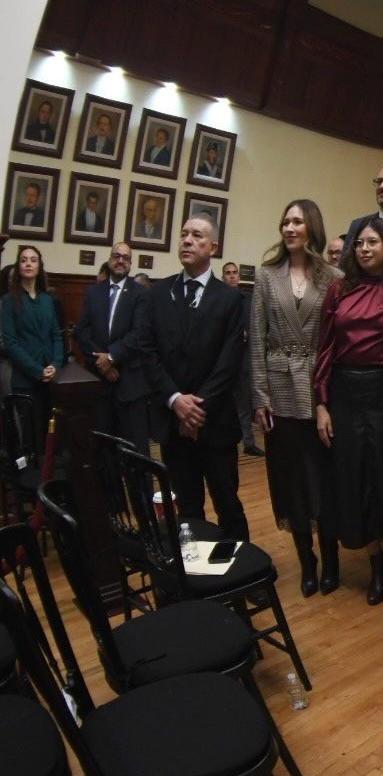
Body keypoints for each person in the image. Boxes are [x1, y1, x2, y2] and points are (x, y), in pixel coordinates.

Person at [315, 218, 383, 604]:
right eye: (359, 243)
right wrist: (322, 403)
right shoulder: (339, 289)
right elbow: (325, 347)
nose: (364, 249)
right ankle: (376, 568)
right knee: (356, 481)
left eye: (372, 242)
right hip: (344, 394)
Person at [251, 200, 339, 596]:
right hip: (279, 391)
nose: (289, 228)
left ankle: (332, 561)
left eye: (297, 221)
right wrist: (259, 395)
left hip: (319, 391)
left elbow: (335, 341)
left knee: (322, 480)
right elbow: (257, 339)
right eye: (285, 221)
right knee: (290, 481)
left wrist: (328, 398)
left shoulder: (334, 277)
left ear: (311, 228)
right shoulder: (266, 276)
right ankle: (307, 561)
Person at [147, 215, 250, 541]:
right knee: (188, 510)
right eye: (184, 234)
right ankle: (197, 568)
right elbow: (148, 353)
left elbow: (229, 362)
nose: (187, 240)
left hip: (215, 422)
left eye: (197, 235)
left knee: (228, 506)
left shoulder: (230, 299)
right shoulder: (158, 293)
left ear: (213, 247)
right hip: (173, 424)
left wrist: (195, 410)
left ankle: (240, 569)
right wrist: (176, 401)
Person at [75, 242, 152, 452]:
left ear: (130, 264)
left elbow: (139, 334)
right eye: (117, 256)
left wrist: (111, 357)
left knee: (135, 451)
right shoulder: (93, 292)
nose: (120, 261)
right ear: (109, 260)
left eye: (125, 258)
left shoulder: (141, 293)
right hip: (99, 384)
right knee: (103, 449)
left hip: (130, 384)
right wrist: (102, 363)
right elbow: (83, 332)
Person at [2, 246, 66, 448]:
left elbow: (56, 335)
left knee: (48, 437)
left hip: (50, 378)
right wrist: (37, 371)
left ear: (39, 266)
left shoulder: (47, 300)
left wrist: (55, 364)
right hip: (25, 379)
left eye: (33, 260)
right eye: (23, 260)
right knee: (28, 437)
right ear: (18, 266)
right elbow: (11, 343)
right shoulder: (8, 301)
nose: (28, 264)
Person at [222, 262, 265, 457]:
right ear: (223, 277)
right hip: (223, 360)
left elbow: (256, 326)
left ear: (239, 276)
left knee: (244, 404)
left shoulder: (249, 299)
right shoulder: (217, 298)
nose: (232, 276)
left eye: (234, 273)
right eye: (228, 273)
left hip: (244, 358)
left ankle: (248, 442)